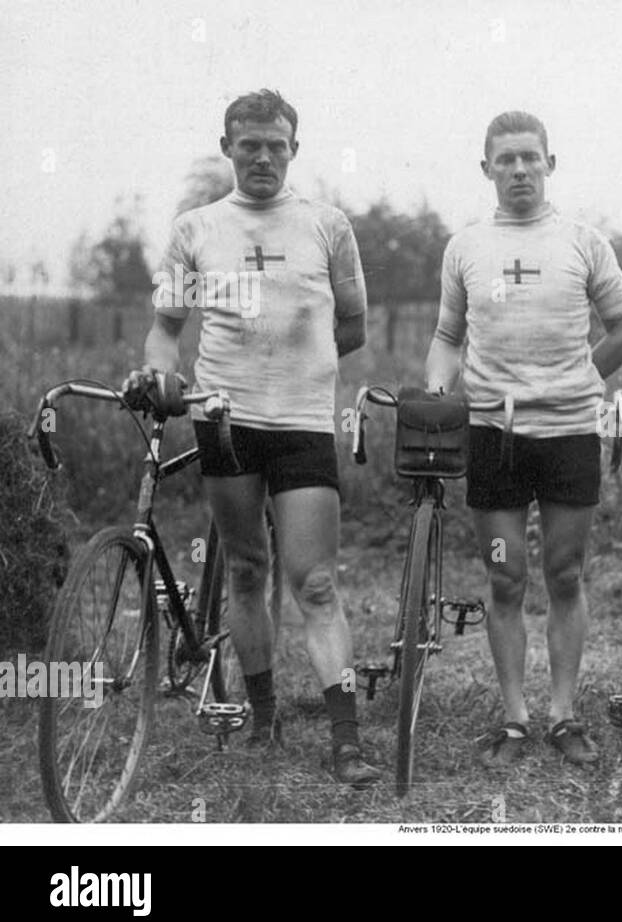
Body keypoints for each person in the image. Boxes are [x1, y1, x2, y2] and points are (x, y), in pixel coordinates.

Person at [126, 89, 380, 787]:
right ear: (228, 148)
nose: (263, 156)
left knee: (316, 580)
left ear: (294, 149)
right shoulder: (195, 228)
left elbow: (353, 325)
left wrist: (299, 370)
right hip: (222, 419)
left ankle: (346, 739)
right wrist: (160, 373)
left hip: (300, 423)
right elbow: (165, 328)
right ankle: (262, 715)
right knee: (245, 567)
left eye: (276, 144)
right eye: (249, 144)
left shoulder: (328, 225)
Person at [425, 111, 622, 767]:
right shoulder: (464, 246)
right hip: (495, 434)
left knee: (566, 574)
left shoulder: (584, 242)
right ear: (486, 167)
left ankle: (565, 714)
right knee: (504, 575)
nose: (519, 169)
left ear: (551, 162)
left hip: (570, 433)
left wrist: (576, 382)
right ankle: (516, 717)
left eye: (530, 157)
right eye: (506, 159)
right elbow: (446, 338)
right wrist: (438, 389)